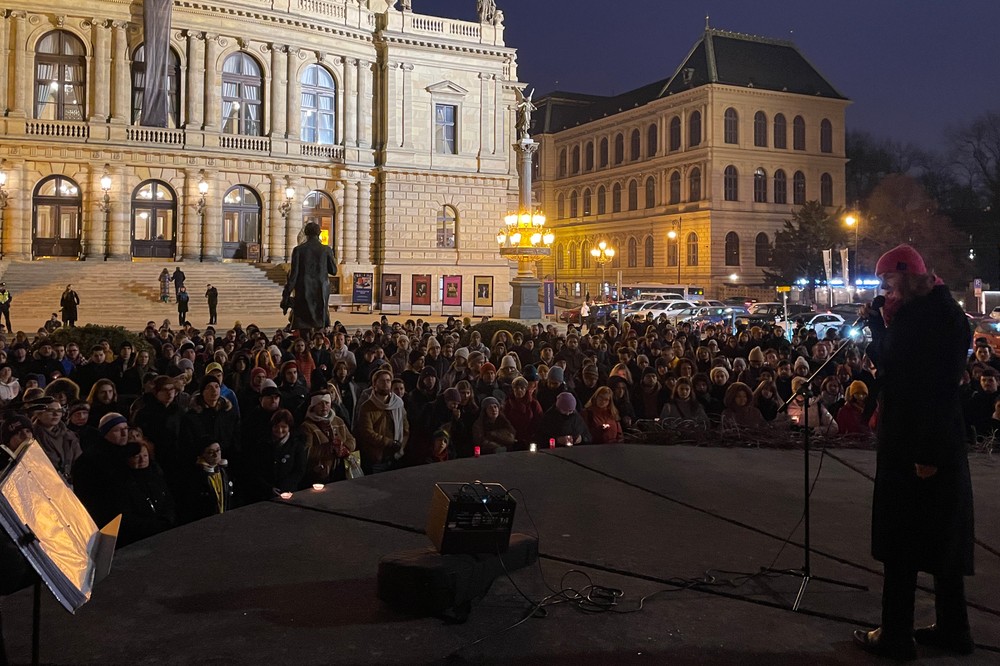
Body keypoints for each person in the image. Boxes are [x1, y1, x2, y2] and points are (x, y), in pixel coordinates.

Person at [852, 244, 975, 660]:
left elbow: (917, 379)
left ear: (905, 275)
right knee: (942, 539)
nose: (884, 289)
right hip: (939, 440)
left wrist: (878, 331)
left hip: (916, 442)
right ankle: (954, 628)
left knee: (901, 540)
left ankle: (896, 636)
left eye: (887, 280)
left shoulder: (919, 318)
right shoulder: (943, 311)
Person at [285, 221, 337, 334]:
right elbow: (333, 270)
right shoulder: (326, 250)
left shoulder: (298, 250)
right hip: (320, 292)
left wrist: (286, 295)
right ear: (319, 233)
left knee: (304, 328)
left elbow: (293, 277)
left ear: (306, 233)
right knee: (319, 329)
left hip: (303, 292)